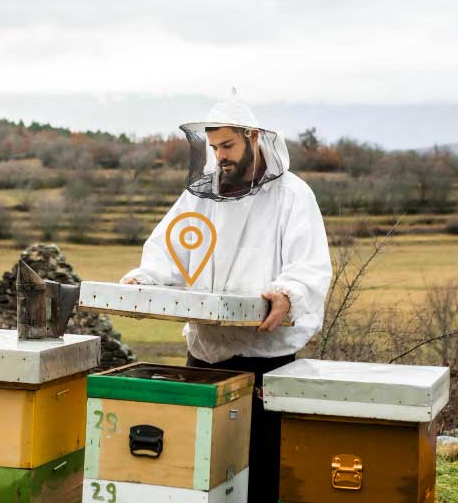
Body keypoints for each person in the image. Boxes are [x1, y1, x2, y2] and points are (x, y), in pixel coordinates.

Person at [120, 96, 332, 502]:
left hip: (265, 361)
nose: (220, 157)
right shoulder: (201, 195)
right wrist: (144, 280)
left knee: (262, 471)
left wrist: (288, 294)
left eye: (228, 146)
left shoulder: (292, 195)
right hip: (204, 356)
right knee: (201, 468)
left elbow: (309, 266)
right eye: (214, 148)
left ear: (252, 137)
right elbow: (169, 253)